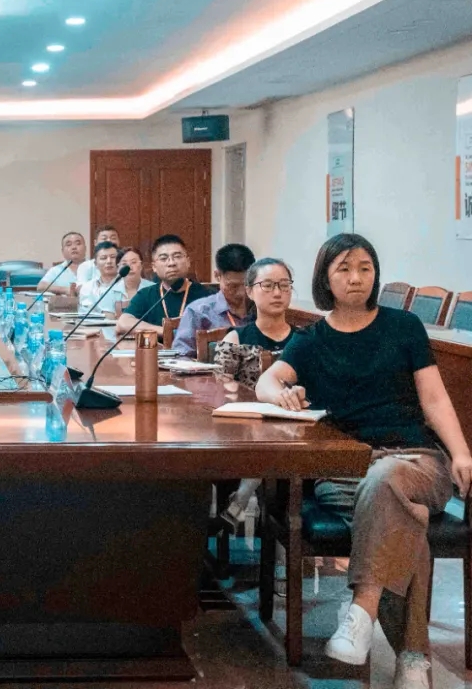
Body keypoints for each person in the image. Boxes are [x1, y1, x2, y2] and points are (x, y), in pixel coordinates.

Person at [256, 234, 472, 688]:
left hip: (417, 461)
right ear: (325, 278)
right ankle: (413, 659)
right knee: (404, 519)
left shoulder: (404, 326)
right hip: (348, 470)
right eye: (344, 269)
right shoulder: (312, 339)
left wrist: (460, 452)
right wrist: (282, 394)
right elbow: (267, 382)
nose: (356, 278)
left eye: (365, 268)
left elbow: (434, 398)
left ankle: (361, 611)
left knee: (388, 480)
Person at [212, 258, 298, 528]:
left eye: (284, 285)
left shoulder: (304, 340)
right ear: (249, 291)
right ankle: (240, 500)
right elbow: (219, 387)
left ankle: (240, 502)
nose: (277, 293)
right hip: (244, 427)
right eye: (268, 285)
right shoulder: (236, 338)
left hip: (294, 425)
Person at [115, 234, 209, 336]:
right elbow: (123, 323)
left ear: (188, 262)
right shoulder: (146, 295)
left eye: (177, 256)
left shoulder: (206, 295)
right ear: (154, 267)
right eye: (164, 258)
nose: (171, 263)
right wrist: (166, 332)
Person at [172, 243, 256, 356]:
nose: (241, 293)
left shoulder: (261, 307)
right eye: (233, 286)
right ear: (217, 275)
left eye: (247, 285)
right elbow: (180, 356)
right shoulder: (198, 312)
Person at [77, 242, 153, 313]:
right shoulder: (106, 290)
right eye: (103, 258)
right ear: (95, 263)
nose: (109, 261)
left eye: (113, 257)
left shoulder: (151, 288)